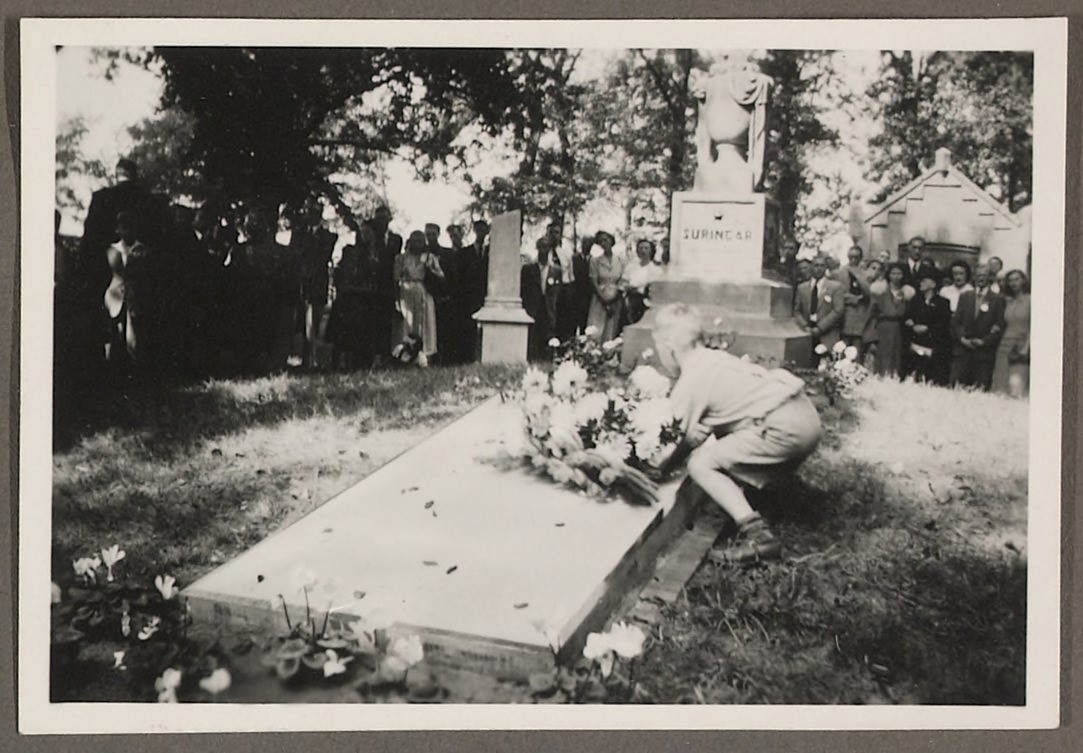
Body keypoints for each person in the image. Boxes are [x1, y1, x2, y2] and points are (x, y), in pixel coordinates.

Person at [648, 303, 822, 563]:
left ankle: (759, 537)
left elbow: (670, 442)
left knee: (701, 464)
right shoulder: (716, 359)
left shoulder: (692, 380)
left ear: (668, 346)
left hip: (785, 429)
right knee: (728, 443)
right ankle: (768, 499)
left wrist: (654, 469)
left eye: (659, 349)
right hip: (805, 415)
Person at [102, 210, 155, 373]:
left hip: (136, 297)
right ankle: (113, 368)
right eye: (123, 226)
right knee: (114, 332)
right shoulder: (111, 249)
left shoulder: (143, 251)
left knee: (134, 334)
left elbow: (148, 277)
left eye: (130, 226)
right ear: (118, 229)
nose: (126, 230)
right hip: (115, 297)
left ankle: (136, 369)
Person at [290, 199, 337, 368]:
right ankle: (304, 357)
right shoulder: (299, 234)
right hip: (302, 282)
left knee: (314, 319)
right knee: (301, 319)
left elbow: (323, 257)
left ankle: (312, 358)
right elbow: (294, 254)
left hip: (316, 281)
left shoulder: (328, 236)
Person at [328, 223, 382, 370]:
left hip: (365, 298)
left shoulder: (374, 255)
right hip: (349, 297)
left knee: (363, 331)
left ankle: (361, 362)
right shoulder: (349, 251)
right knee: (345, 332)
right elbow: (341, 272)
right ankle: (340, 363)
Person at [950, 264, 1006, 390]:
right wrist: (962, 339)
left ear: (990, 278)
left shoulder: (997, 299)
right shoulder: (965, 296)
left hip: (983, 354)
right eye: (978, 275)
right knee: (957, 388)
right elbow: (956, 322)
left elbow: (999, 325)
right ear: (974, 277)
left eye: (984, 275)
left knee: (979, 390)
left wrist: (984, 341)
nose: (980, 278)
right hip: (963, 351)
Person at [393, 230, 444, 366]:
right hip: (405, 294)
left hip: (423, 293)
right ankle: (404, 357)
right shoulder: (401, 258)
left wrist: (430, 269)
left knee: (424, 324)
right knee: (406, 323)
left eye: (420, 241)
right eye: (414, 241)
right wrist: (397, 301)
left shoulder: (429, 257)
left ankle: (424, 356)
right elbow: (395, 280)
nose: (417, 244)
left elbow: (441, 275)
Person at [902, 266, 952, 384]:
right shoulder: (915, 301)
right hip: (915, 344)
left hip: (933, 346)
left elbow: (944, 324)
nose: (921, 283)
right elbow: (906, 318)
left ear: (933, 284)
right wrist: (913, 326)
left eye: (924, 280)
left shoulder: (943, 303)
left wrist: (927, 329)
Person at [366, 205, 403, 364]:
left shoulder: (396, 239)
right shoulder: (370, 238)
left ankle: (385, 355)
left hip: (388, 285)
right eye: (378, 219)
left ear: (389, 220)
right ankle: (372, 356)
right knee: (372, 321)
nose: (382, 222)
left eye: (384, 219)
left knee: (387, 322)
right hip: (373, 286)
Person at [520, 237, 563, 361]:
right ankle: (531, 359)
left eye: (546, 247)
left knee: (548, 334)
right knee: (532, 335)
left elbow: (558, 291)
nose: (544, 250)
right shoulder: (528, 269)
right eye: (541, 247)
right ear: (537, 248)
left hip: (548, 307)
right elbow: (523, 290)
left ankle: (546, 360)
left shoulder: (556, 270)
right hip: (533, 307)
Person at [793, 256, 845, 355]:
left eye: (822, 266)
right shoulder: (802, 287)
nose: (819, 268)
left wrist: (820, 327)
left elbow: (838, 310)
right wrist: (805, 326)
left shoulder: (835, 287)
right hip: (807, 332)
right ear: (811, 267)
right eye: (816, 265)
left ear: (826, 268)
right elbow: (797, 310)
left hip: (827, 334)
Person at [992, 269, 1030, 397]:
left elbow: (1033, 327)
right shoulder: (1008, 301)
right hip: (1005, 345)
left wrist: (1026, 348)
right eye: (1010, 280)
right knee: (1000, 385)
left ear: (1023, 281)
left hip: (1021, 345)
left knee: (1016, 384)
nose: (1014, 283)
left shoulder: (1031, 300)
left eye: (1017, 279)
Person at [868, 262, 910, 376]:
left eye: (899, 273)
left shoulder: (906, 294)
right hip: (883, 329)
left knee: (896, 359)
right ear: (889, 275)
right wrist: (871, 336)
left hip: (898, 330)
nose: (896, 276)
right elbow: (871, 314)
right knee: (882, 358)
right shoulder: (880, 292)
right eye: (893, 273)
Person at [425, 222, 458, 363]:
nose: (430, 237)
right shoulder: (422, 253)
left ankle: (445, 360)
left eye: (433, 234)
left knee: (444, 330)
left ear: (438, 234)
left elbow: (453, 276)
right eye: (428, 234)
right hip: (426, 297)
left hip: (443, 297)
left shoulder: (447, 253)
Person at [586, 230, 627, 341]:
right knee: (597, 327)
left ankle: (609, 349)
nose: (604, 243)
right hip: (600, 296)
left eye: (606, 240)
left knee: (612, 327)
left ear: (611, 241)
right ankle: (593, 349)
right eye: (601, 241)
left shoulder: (620, 259)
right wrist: (604, 300)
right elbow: (594, 281)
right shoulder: (595, 260)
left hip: (615, 297)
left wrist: (614, 297)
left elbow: (623, 280)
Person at [460, 219, 490, 361]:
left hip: (486, 295)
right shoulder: (465, 252)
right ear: (474, 231)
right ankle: (469, 357)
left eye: (484, 230)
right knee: (469, 328)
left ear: (487, 232)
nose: (481, 233)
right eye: (478, 230)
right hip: (470, 296)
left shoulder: (492, 252)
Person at [839, 245, 874, 359]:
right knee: (843, 346)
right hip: (845, 314)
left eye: (856, 257)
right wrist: (855, 299)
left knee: (857, 347)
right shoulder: (841, 272)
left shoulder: (865, 273)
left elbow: (869, 293)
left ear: (860, 258)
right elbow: (838, 294)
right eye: (851, 257)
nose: (853, 260)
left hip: (860, 314)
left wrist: (858, 276)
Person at [624, 239, 662, 326]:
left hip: (646, 301)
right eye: (640, 248)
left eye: (646, 248)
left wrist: (640, 290)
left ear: (651, 251)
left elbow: (655, 288)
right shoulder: (631, 266)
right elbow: (624, 281)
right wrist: (627, 287)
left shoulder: (656, 269)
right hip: (630, 299)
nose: (643, 251)